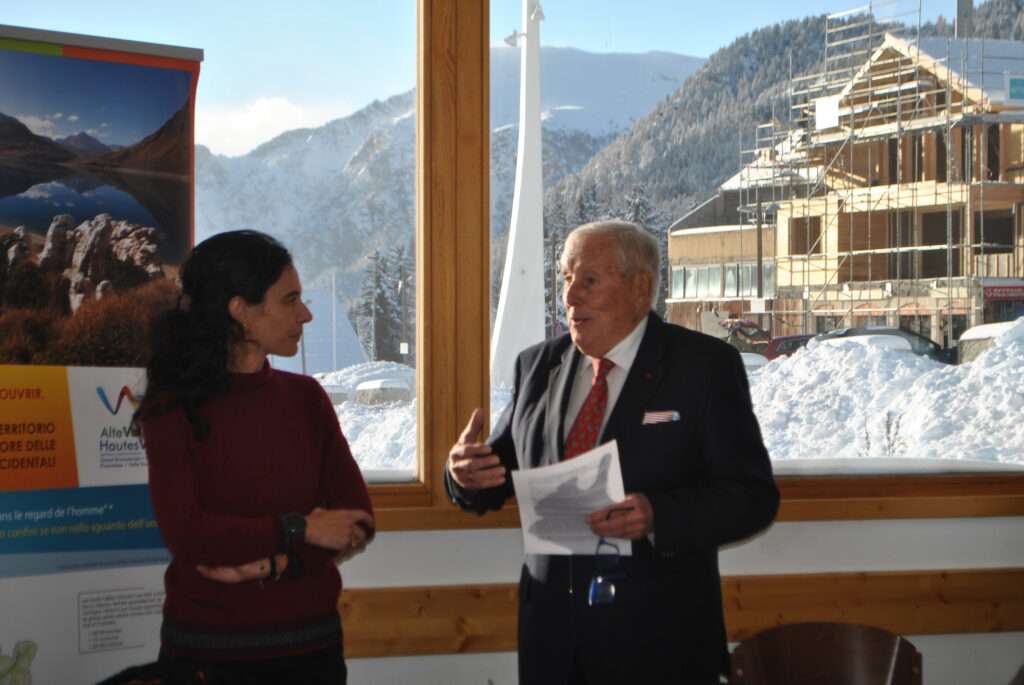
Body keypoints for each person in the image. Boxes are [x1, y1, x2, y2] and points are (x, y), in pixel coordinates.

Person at [445, 221, 779, 684]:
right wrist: (463, 474)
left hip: (659, 643)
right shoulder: (538, 365)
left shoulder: (703, 368)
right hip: (552, 643)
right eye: (565, 279)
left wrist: (658, 514)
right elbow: (496, 475)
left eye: (589, 281)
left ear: (640, 287)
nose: (570, 297)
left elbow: (752, 498)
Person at [134, 230, 374, 685]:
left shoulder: (307, 399)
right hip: (207, 655)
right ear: (239, 311)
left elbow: (357, 519)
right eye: (290, 299)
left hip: (312, 650)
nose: (306, 313)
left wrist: (272, 564)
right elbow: (189, 534)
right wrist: (300, 529)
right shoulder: (173, 406)